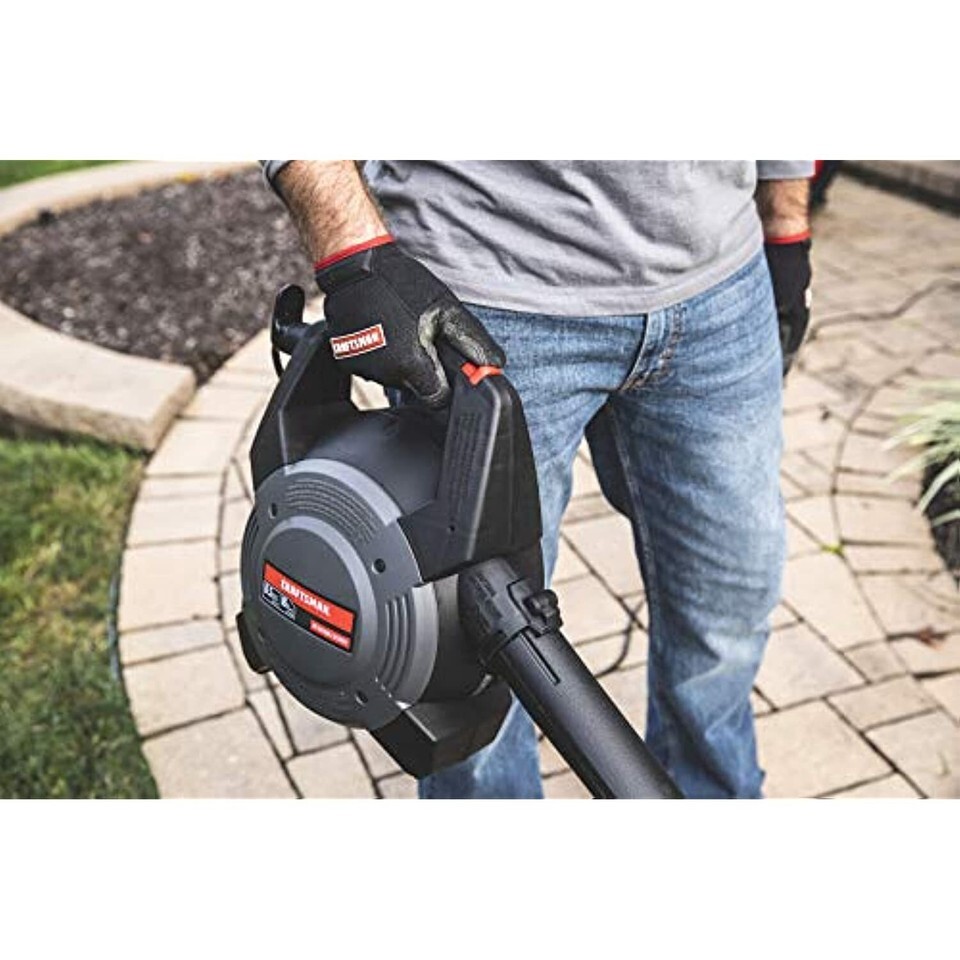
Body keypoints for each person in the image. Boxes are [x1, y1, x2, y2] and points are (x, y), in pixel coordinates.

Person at [261, 160, 813, 799]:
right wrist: (354, 258)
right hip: (486, 298)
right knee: (461, 656)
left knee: (731, 604)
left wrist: (786, 225)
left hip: (720, 282)